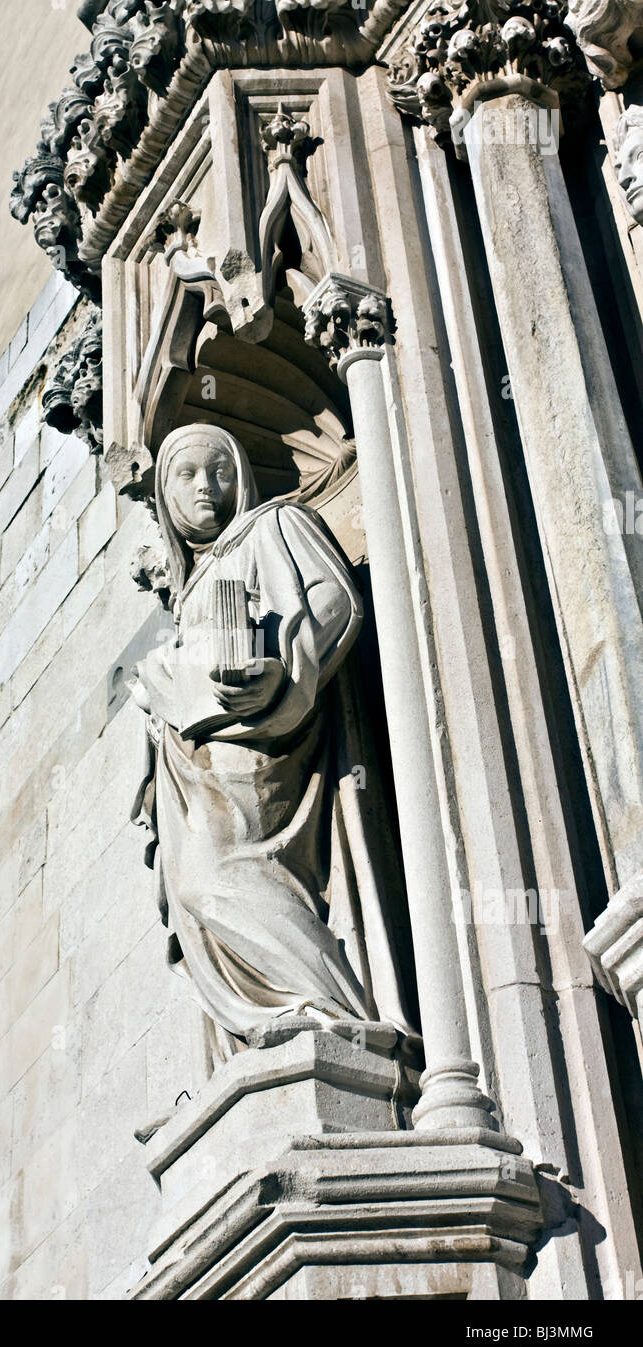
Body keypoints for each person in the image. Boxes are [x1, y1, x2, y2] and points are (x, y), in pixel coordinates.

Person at [130, 423, 416, 1066]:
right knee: (195, 888)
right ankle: (264, 1032)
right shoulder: (190, 588)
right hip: (193, 762)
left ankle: (328, 1013)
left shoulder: (274, 526)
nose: (207, 486)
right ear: (165, 496)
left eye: (220, 470)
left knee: (215, 880)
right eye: (188, 474)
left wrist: (278, 670)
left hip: (267, 746)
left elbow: (335, 601)